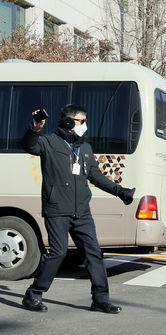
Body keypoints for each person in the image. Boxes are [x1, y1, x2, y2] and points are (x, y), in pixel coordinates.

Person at [21, 105, 135, 313]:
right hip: (57, 208)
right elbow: (29, 146)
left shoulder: (85, 148)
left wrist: (120, 191)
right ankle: (33, 295)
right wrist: (35, 128)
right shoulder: (49, 142)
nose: (85, 125)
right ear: (68, 122)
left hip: (82, 211)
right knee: (58, 252)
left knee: (94, 254)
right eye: (82, 121)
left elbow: (96, 176)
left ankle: (100, 300)